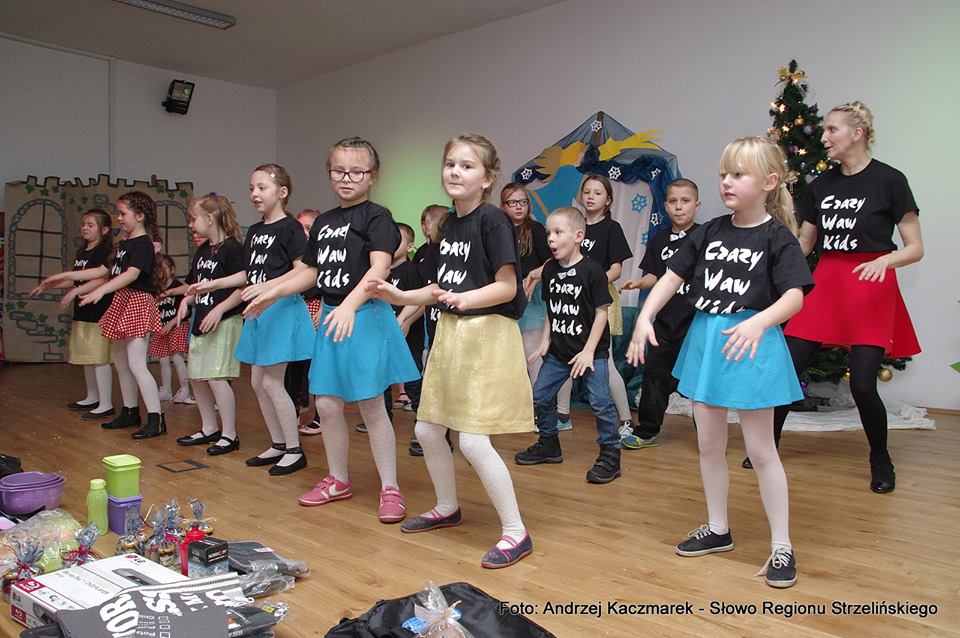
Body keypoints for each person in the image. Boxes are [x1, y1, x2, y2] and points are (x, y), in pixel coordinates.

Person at [627, 136, 814, 588]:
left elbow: (794, 296)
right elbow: (672, 277)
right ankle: (717, 528)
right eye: (724, 174)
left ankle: (782, 545)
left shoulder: (777, 237)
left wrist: (759, 322)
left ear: (769, 182)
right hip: (708, 342)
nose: (727, 182)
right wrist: (645, 317)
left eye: (739, 174)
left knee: (761, 451)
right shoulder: (709, 231)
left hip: (751, 346)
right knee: (709, 445)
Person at [368, 134, 534, 568]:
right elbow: (439, 288)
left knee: (474, 440)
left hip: (486, 335)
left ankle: (516, 533)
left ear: (488, 178)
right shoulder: (449, 226)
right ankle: (447, 506)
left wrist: (465, 299)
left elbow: (507, 286)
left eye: (467, 165)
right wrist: (397, 295)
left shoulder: (493, 221)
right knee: (427, 431)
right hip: (451, 335)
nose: (455, 172)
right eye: (450, 164)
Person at [747, 102, 923, 494]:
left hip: (870, 283)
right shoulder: (821, 185)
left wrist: (886, 260)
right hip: (827, 280)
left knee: (862, 385)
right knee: (785, 369)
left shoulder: (890, 180)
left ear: (857, 133)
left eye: (832, 130)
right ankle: (767, 447)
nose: (824, 137)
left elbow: (915, 248)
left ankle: (881, 459)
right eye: (824, 130)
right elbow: (805, 243)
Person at [243, 137, 419, 523]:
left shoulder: (377, 216)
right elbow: (310, 271)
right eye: (339, 170)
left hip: (365, 315)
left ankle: (391, 487)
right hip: (332, 315)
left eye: (356, 171)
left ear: (372, 176)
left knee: (372, 405)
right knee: (325, 404)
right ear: (329, 173)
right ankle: (338, 479)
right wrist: (271, 292)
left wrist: (349, 306)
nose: (347, 178)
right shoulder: (324, 222)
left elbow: (379, 268)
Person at [190, 164, 315, 475]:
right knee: (258, 382)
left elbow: (302, 270)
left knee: (272, 382)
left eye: (262, 188)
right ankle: (279, 443)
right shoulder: (256, 231)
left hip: (281, 310)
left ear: (282, 192)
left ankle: (295, 449)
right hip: (259, 311)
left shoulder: (290, 228)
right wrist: (214, 283)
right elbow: (249, 273)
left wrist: (268, 287)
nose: (254, 194)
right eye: (251, 188)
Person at [45, 192, 168, 439]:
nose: (119, 218)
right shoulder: (124, 244)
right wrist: (65, 276)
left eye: (123, 213)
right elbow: (102, 271)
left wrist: (100, 291)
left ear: (140, 216)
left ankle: (156, 419)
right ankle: (130, 411)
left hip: (136, 302)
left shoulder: (143, 243)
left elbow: (131, 274)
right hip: (122, 301)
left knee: (137, 364)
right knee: (121, 362)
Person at [514, 207, 621, 483]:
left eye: (558, 232)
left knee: (601, 403)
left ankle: (611, 454)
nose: (551, 238)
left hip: (591, 353)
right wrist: (545, 341)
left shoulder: (593, 271)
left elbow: (601, 313)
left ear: (578, 236)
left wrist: (588, 352)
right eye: (548, 232)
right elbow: (552, 309)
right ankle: (549, 443)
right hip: (559, 353)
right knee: (540, 396)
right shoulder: (550, 270)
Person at [555, 175, 637, 445]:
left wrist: (592, 283)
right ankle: (562, 415)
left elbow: (617, 269)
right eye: (587, 191)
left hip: (599, 300)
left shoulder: (611, 228)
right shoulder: (571, 224)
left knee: (605, 361)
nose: (590, 196)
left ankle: (626, 420)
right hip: (570, 300)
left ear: (608, 199)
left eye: (597, 193)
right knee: (564, 357)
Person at [620, 178, 701, 447]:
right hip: (666, 322)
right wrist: (639, 282)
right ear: (666, 206)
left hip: (696, 321)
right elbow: (655, 275)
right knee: (655, 374)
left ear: (697, 205)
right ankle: (648, 430)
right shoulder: (660, 239)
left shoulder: (706, 236)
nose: (679, 207)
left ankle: (708, 435)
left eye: (685, 201)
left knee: (700, 380)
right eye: (673, 201)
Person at [174, 194, 246, 455]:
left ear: (209, 218)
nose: (191, 224)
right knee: (197, 376)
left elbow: (243, 285)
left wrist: (220, 309)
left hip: (224, 321)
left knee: (216, 377)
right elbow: (198, 285)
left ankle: (229, 434)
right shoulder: (203, 250)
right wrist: (187, 300)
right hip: (202, 320)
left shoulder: (233, 249)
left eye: (194, 219)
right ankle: (209, 428)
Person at [31, 209, 115, 420]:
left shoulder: (105, 250)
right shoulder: (84, 252)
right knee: (87, 356)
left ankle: (106, 403)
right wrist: (51, 285)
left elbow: (102, 278)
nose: (85, 228)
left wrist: (74, 292)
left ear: (105, 229)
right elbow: (77, 279)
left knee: (99, 357)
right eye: (83, 224)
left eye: (90, 225)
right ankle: (92, 396)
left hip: (98, 310)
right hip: (83, 311)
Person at [500, 182, 551, 383]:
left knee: (531, 351)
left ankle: (539, 398)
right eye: (513, 202)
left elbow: (551, 261)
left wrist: (535, 277)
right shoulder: (498, 231)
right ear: (503, 206)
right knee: (510, 356)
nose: (519, 207)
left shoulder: (536, 229)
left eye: (523, 202)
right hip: (506, 295)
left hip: (532, 296)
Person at [150, 255, 192, 404]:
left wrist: (171, 324)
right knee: (163, 359)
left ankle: (185, 390)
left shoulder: (177, 286)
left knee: (178, 358)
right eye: (157, 270)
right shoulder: (157, 289)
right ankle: (166, 389)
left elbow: (185, 311)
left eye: (163, 270)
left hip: (177, 326)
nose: (160, 273)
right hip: (163, 329)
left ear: (172, 270)